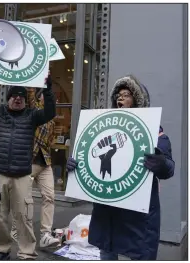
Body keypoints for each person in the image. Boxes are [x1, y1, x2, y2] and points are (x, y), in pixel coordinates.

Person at [66, 75, 175, 260]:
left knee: (140, 255)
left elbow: (169, 168)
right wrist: (77, 166)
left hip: (138, 218)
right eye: (118, 94)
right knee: (107, 253)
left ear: (139, 101)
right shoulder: (105, 131)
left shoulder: (155, 133)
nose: (120, 98)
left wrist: (162, 163)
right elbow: (91, 156)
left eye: (126, 94)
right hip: (107, 214)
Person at [0, 78, 56, 260]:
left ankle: (27, 253)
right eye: (14, 96)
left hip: (22, 175)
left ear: (26, 101)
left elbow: (50, 113)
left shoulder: (32, 115)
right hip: (0, 174)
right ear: (8, 98)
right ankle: (1, 250)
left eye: (21, 97)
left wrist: (48, 89)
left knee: (24, 217)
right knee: (0, 217)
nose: (18, 99)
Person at [10, 85, 60, 248]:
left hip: (45, 162)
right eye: (48, 95)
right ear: (40, 97)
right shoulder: (34, 109)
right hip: (29, 160)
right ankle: (16, 228)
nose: (52, 98)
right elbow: (30, 93)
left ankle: (45, 234)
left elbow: (51, 139)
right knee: (25, 198)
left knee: (49, 196)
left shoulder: (51, 117)